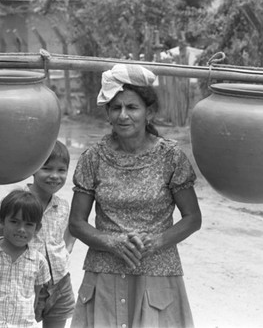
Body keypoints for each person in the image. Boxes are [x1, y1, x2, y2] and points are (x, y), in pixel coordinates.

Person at [68, 64, 202, 328]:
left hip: (157, 273)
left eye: (132, 107)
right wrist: (112, 242)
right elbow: (76, 223)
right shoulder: (93, 158)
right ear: (107, 113)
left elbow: (192, 218)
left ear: (148, 112)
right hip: (104, 272)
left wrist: (156, 241)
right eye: (115, 108)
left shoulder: (170, 157)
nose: (123, 115)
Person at [0, 189, 51, 327]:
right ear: (1, 221)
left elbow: (34, 297)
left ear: (37, 228)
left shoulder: (39, 261)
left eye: (29, 224)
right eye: (14, 221)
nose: (21, 229)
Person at [27, 140, 76, 328]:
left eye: (62, 170)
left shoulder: (62, 206)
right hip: (27, 282)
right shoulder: (18, 201)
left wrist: (66, 251)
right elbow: (2, 240)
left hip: (60, 283)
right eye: (47, 169)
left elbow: (71, 230)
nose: (55, 176)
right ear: (32, 168)